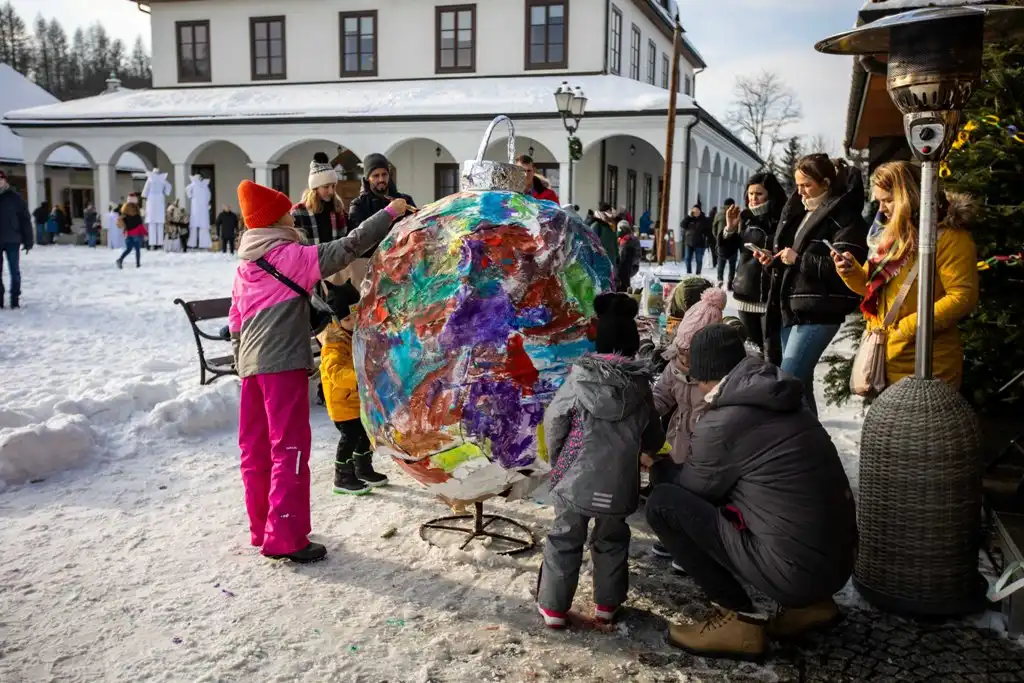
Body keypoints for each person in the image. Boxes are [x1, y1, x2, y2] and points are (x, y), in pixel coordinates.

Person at [646, 323, 857, 661]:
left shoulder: (724, 422)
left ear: (706, 375)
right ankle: (812, 607)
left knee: (663, 505)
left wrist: (656, 465)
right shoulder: (779, 394)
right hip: (834, 565)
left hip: (794, 571)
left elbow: (691, 494)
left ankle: (739, 620)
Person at [228, 180, 406, 564]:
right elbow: (349, 247)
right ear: (273, 220)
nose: (291, 213)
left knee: (254, 449)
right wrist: (390, 213)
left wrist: (242, 361)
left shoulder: (246, 264)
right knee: (288, 448)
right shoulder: (289, 256)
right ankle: (286, 537)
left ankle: (263, 528)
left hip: (250, 368)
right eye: (284, 211)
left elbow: (236, 321)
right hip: (283, 365)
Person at [537, 292, 665, 628]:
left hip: (575, 477)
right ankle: (607, 606)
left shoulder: (578, 381)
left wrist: (558, 457)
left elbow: (555, 421)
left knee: (565, 536)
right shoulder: (640, 389)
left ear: (598, 341)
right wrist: (644, 452)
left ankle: (554, 609)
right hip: (619, 482)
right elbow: (654, 434)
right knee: (612, 539)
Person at [834, 161, 978, 390]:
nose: (881, 209)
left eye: (888, 200)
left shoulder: (950, 238)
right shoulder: (890, 237)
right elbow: (872, 290)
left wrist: (908, 328)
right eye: (879, 201)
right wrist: (851, 273)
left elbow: (962, 297)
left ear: (909, 195)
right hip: (889, 358)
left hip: (929, 363)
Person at [758, 156, 869, 414]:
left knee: (786, 383)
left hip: (819, 312)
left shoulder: (846, 219)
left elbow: (844, 269)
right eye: (797, 185)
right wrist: (773, 261)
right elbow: (793, 263)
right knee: (801, 391)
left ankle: (798, 446)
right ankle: (812, 448)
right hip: (793, 309)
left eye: (806, 185)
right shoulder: (804, 213)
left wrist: (797, 259)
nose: (800, 191)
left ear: (826, 183)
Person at [318, 274, 389, 495]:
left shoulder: (356, 335)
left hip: (358, 400)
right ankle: (342, 476)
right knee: (349, 438)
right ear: (336, 319)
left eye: (356, 317)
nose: (353, 323)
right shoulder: (333, 344)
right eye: (348, 319)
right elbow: (335, 373)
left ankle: (363, 468)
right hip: (342, 403)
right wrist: (360, 377)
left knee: (365, 435)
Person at [730, 173, 787, 363]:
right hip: (746, 293)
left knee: (773, 353)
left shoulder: (782, 220)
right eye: (751, 194)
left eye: (759, 194)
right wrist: (729, 229)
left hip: (772, 296)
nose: (753, 198)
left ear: (771, 195)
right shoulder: (744, 219)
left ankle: (772, 390)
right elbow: (725, 252)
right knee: (752, 351)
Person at [347, 153, 415, 256]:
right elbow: (357, 239)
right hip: (368, 263)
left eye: (384, 174)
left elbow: (415, 229)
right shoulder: (358, 205)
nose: (381, 180)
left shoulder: (405, 200)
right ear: (367, 178)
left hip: (401, 262)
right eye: (375, 176)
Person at [291, 153, 347, 245]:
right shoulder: (298, 212)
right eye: (326, 187)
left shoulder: (338, 209)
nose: (331, 191)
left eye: (333, 186)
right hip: (309, 259)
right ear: (315, 189)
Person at [0, 170, 33, 309]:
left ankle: (15, 298)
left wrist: (28, 240)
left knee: (14, 270)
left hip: (12, 238)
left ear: (5, 181)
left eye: (1, 179)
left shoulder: (15, 198)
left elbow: (25, 219)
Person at [713, 198, 740, 289]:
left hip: (722, 243)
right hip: (733, 243)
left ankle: (720, 280)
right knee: (732, 265)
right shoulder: (736, 214)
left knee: (721, 264)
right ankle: (730, 282)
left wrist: (718, 237)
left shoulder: (718, 214)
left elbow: (714, 228)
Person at [116, 195, 147, 269]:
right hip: (136, 234)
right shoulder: (137, 216)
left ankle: (120, 260)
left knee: (128, 249)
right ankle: (138, 264)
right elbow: (140, 227)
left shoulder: (124, 215)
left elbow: (122, 225)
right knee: (137, 250)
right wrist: (146, 233)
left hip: (127, 234)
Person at [681, 206, 712, 275]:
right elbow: (682, 225)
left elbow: (709, 230)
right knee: (687, 259)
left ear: (700, 211)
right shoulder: (689, 218)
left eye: (697, 211)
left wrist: (706, 239)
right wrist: (688, 216)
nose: (696, 212)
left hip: (700, 243)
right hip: (689, 242)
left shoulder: (705, 219)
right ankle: (689, 273)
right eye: (694, 211)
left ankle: (698, 274)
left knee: (699, 260)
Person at [591, 203, 620, 271]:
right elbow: (591, 244)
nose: (611, 214)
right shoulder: (596, 226)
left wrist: (617, 256)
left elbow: (614, 243)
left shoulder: (610, 227)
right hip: (601, 263)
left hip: (611, 262)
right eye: (609, 211)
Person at [615, 221, 641, 293]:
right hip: (621, 269)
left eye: (623, 228)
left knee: (623, 287)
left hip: (628, 268)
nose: (622, 230)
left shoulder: (632, 239)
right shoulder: (618, 239)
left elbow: (637, 256)